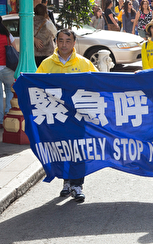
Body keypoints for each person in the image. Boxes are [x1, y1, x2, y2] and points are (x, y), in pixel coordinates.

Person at [37, 29, 98, 202]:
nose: (64, 45)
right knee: (62, 149)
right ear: (56, 42)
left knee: (78, 151)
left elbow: (98, 82)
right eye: (61, 41)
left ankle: (77, 185)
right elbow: (35, 86)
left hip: (78, 118)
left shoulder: (85, 64)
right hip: (57, 117)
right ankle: (66, 183)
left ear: (73, 43)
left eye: (68, 41)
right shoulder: (47, 64)